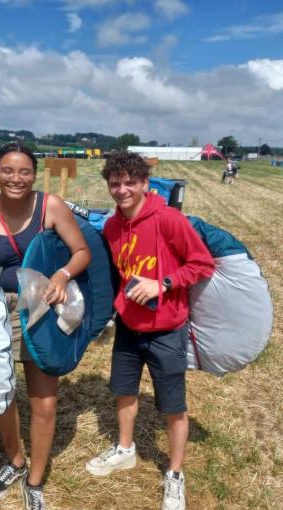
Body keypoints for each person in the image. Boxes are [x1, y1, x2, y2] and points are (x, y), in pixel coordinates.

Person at [0, 143, 91, 510]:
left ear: (35, 173)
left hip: (40, 307)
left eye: (24, 171)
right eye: (8, 171)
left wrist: (62, 275)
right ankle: (15, 460)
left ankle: (36, 479)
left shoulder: (51, 207)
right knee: (2, 390)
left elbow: (82, 252)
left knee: (44, 399)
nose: (16, 178)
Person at [85, 152, 214, 510]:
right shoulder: (112, 226)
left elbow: (202, 264)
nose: (122, 189)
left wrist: (164, 283)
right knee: (124, 392)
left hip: (166, 328)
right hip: (129, 324)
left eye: (130, 182)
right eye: (115, 183)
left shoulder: (168, 220)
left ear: (145, 183)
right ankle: (125, 449)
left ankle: (174, 474)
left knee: (173, 406)